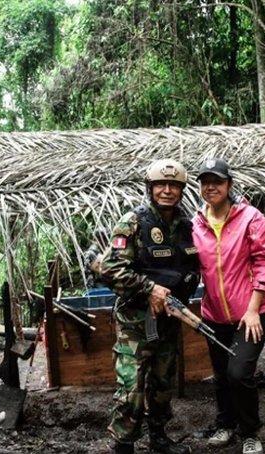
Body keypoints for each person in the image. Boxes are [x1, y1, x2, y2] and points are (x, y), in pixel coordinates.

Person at [99, 159, 200, 454]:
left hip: (169, 319)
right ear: (151, 188)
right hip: (135, 321)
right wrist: (149, 289)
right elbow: (109, 269)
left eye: (174, 186)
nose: (167, 191)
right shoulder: (132, 222)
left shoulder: (189, 227)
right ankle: (124, 444)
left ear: (181, 189)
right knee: (132, 386)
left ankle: (158, 436)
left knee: (163, 382)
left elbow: (196, 266)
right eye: (161, 185)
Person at [192, 158, 265, 454]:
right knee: (221, 374)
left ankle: (250, 431)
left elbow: (264, 262)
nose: (210, 186)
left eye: (217, 181)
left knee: (239, 374)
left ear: (229, 185)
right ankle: (225, 424)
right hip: (213, 315)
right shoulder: (196, 223)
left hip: (250, 314)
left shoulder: (251, 218)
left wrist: (253, 309)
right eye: (205, 181)